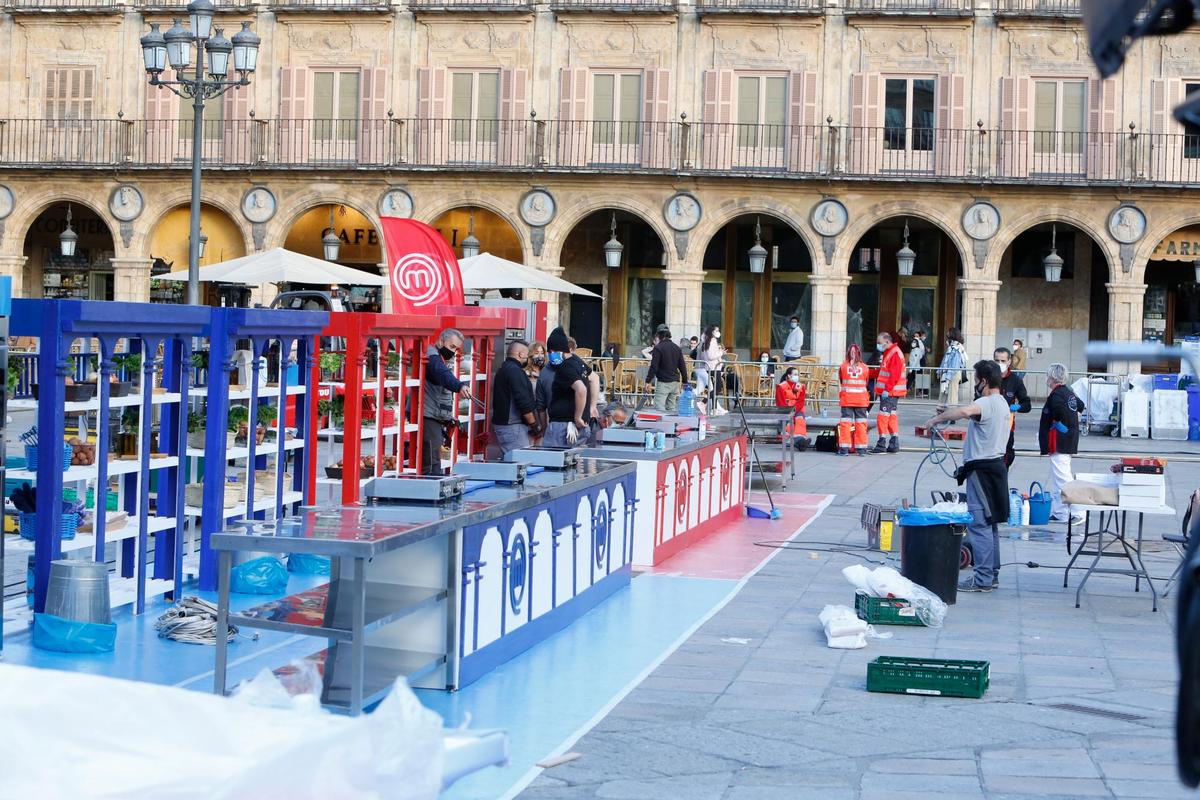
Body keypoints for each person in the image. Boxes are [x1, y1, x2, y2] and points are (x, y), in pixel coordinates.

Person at [923, 360, 1012, 593]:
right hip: (994, 470)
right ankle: (990, 574)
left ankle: (982, 579)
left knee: (980, 525)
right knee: (990, 525)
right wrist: (948, 413)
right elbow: (972, 415)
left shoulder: (987, 402)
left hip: (982, 472)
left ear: (984, 380)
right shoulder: (1001, 403)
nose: (974, 382)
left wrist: (935, 420)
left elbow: (965, 411)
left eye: (975, 378)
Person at [1039, 362, 1086, 525]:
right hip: (1067, 439)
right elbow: (1080, 406)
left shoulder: (1057, 395)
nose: (1047, 379)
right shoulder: (1068, 392)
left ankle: (1079, 511)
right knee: (1058, 477)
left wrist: (1059, 424)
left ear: (1052, 377)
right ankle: (1061, 512)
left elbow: (1059, 412)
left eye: (1047, 376)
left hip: (1060, 440)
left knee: (1063, 478)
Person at [421, 328, 471, 475]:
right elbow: (442, 374)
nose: (453, 352)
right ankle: (431, 490)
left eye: (456, 349)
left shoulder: (439, 356)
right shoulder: (433, 357)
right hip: (428, 414)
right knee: (431, 461)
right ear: (441, 341)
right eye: (452, 347)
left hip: (435, 414)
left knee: (434, 458)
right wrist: (459, 386)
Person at [491, 340, 540, 458]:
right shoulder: (515, 371)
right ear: (520, 354)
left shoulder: (503, 369)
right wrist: (534, 425)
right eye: (527, 355)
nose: (528, 359)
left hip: (506, 426)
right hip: (513, 427)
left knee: (513, 464)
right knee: (521, 465)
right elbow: (523, 401)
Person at [544, 327, 592, 447]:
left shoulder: (565, 367)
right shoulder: (578, 362)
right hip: (577, 427)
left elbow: (581, 389)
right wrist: (592, 407)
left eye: (551, 351)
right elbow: (594, 378)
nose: (550, 355)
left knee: (553, 462)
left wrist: (578, 417)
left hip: (563, 428)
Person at [992, 346, 1031, 467]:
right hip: (989, 426)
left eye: (1003, 361)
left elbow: (1027, 404)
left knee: (1006, 459)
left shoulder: (1015, 380)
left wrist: (1018, 407)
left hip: (1007, 428)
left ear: (1009, 361)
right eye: (997, 361)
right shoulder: (988, 378)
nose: (1000, 364)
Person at [870, 331, 906, 454]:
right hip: (891, 392)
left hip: (890, 392)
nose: (878, 345)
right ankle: (894, 443)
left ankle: (881, 444)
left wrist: (887, 389)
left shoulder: (894, 353)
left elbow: (894, 374)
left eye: (879, 343)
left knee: (883, 416)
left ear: (887, 341)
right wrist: (865, 372)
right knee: (891, 416)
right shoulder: (890, 352)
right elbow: (882, 372)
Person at [837, 344, 870, 457]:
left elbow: (842, 381)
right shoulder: (865, 367)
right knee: (861, 424)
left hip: (847, 400)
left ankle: (844, 449)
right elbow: (866, 382)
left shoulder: (843, 367)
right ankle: (861, 450)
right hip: (861, 400)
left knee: (846, 424)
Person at [645, 326, 687, 413]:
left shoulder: (658, 348)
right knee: (671, 408)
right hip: (675, 382)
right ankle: (672, 426)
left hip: (663, 382)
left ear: (658, 336)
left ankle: (660, 426)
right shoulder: (677, 348)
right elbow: (682, 366)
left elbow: (654, 366)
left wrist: (648, 381)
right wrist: (685, 381)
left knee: (659, 409)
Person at [775, 366, 809, 441]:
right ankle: (799, 440)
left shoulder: (801, 386)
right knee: (789, 423)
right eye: (795, 374)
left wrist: (794, 411)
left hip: (798, 410)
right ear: (789, 375)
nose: (797, 376)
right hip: (785, 411)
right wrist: (789, 412)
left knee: (800, 419)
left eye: (797, 374)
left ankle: (801, 438)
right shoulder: (781, 386)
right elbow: (780, 403)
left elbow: (801, 401)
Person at [700, 324, 728, 415]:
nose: (718, 332)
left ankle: (714, 408)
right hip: (713, 367)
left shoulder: (706, 341)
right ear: (712, 331)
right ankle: (704, 402)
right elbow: (711, 356)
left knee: (714, 388)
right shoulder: (711, 340)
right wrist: (721, 353)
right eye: (716, 330)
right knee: (717, 388)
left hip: (711, 367)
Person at [937, 327, 968, 407]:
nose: (947, 334)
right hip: (949, 373)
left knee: (952, 396)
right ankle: (940, 412)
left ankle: (951, 414)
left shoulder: (956, 348)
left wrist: (948, 376)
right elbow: (945, 361)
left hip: (952, 374)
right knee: (944, 394)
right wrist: (940, 371)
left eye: (948, 332)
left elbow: (955, 364)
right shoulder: (952, 347)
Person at [908, 330, 927, 398]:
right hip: (916, 365)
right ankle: (922, 391)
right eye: (914, 336)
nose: (915, 337)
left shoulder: (919, 345)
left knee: (918, 378)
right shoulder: (915, 345)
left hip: (918, 365)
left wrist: (910, 369)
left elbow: (917, 358)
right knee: (913, 378)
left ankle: (923, 391)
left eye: (917, 336)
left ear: (919, 337)